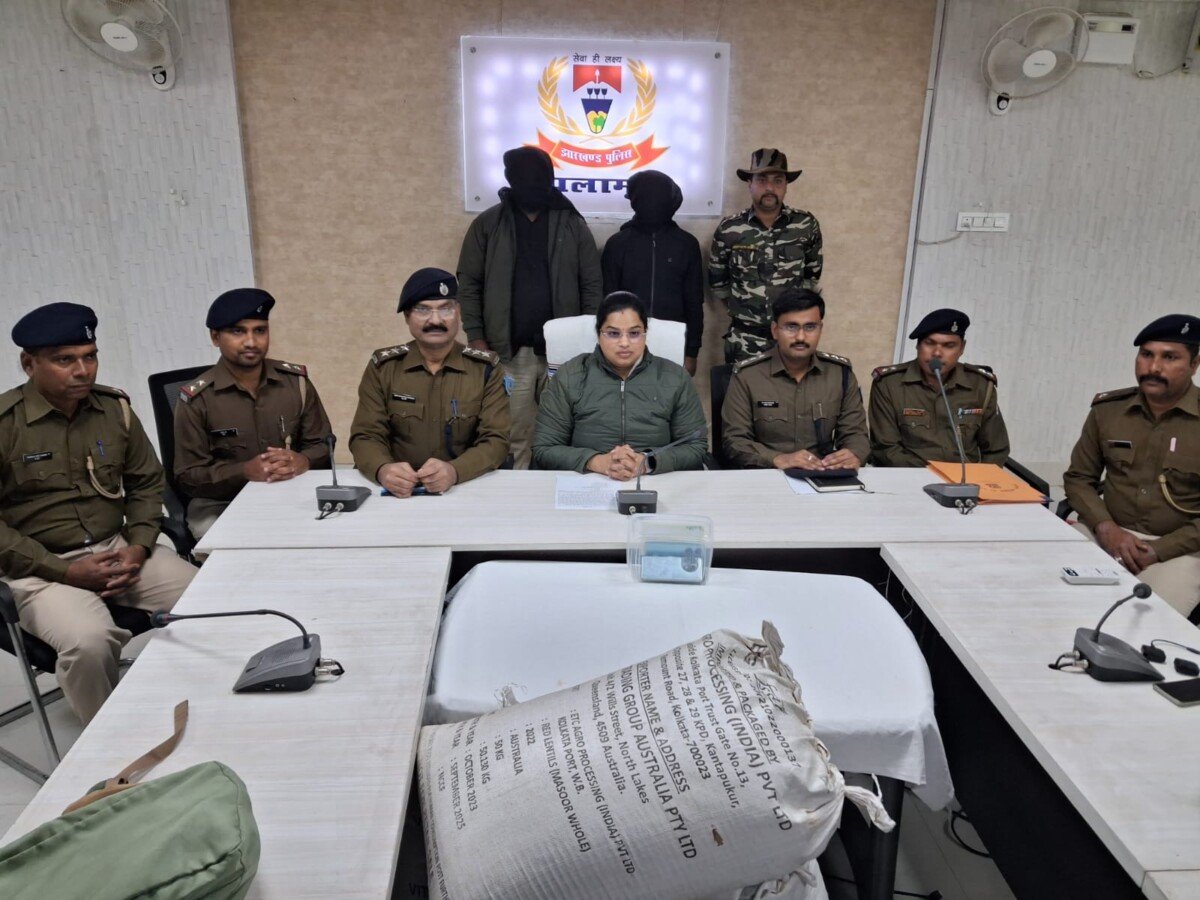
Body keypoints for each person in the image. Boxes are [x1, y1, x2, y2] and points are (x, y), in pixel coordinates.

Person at [0, 303, 196, 724]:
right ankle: (109, 745)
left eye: (90, 356)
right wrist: (65, 571)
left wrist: (139, 547)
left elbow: (147, 482)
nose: (82, 371)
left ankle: (202, 708)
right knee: (89, 642)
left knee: (211, 599)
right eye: (65, 360)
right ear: (29, 364)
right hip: (41, 569)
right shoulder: (4, 425)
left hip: (118, 549)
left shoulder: (114, 409)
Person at [456, 146, 603, 467]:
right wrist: (477, 338)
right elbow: (468, 284)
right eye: (525, 178)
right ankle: (518, 492)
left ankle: (559, 493)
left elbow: (592, 285)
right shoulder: (488, 224)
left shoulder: (572, 223)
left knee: (565, 432)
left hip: (565, 353)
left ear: (551, 179)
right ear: (510, 180)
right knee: (512, 434)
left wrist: (587, 339)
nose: (533, 184)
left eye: (540, 178)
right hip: (508, 353)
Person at [1063, 314, 1200, 618]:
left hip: (1180, 549)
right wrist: (1106, 527)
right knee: (1056, 595)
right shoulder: (1108, 411)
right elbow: (1078, 479)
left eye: (1170, 357)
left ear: (1194, 364)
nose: (1154, 367)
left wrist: (1159, 550)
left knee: (1148, 620)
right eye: (1146, 354)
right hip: (1105, 531)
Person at [173, 288, 333, 540]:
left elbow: (324, 444)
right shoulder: (197, 398)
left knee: (335, 532)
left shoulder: (296, 383)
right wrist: (244, 472)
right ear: (215, 337)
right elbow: (188, 476)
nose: (251, 342)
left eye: (260, 330)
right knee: (229, 543)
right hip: (222, 503)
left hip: (291, 493)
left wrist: (303, 460)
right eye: (238, 331)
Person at [350, 267, 511, 496]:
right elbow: (366, 435)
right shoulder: (384, 367)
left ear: (459, 313)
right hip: (399, 491)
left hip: (465, 487)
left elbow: (496, 440)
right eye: (423, 309)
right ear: (407, 316)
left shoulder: (485, 369)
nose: (435, 320)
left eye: (446, 308)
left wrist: (455, 471)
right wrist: (382, 469)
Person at [532, 292, 708, 477]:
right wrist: (597, 462)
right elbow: (545, 447)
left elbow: (695, 446)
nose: (624, 343)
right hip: (588, 480)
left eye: (634, 333)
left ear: (645, 334)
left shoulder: (675, 377)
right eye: (613, 334)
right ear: (598, 334)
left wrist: (647, 462)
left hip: (655, 480)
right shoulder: (570, 376)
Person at [722, 288, 868, 471]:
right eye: (791, 327)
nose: (800, 337)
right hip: (768, 473)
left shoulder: (840, 374)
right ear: (775, 330)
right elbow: (735, 441)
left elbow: (856, 434)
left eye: (810, 327)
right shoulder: (748, 376)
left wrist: (854, 453)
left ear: (820, 329)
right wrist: (778, 459)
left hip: (822, 473)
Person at [708, 148, 823, 364]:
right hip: (744, 340)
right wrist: (749, 311)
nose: (769, 188)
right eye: (761, 180)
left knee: (794, 387)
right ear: (749, 183)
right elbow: (719, 284)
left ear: (786, 185)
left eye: (778, 181)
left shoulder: (805, 225)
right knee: (741, 387)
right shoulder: (730, 228)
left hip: (792, 339)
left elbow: (811, 278)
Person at [869, 308, 1009, 467]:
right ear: (918, 345)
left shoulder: (981, 385)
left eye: (949, 345)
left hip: (966, 477)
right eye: (929, 343)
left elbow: (996, 450)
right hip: (909, 475)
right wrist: (934, 474)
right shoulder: (889, 384)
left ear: (962, 348)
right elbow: (886, 449)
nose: (937, 353)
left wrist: (982, 479)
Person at [601, 170, 704, 375]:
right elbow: (607, 302)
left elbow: (694, 302)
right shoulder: (618, 244)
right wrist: (608, 345)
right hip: (625, 344)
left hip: (674, 343)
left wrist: (691, 353)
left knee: (670, 395)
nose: (652, 204)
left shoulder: (686, 244)